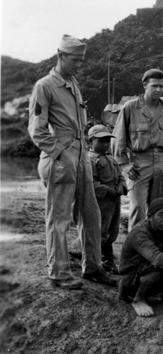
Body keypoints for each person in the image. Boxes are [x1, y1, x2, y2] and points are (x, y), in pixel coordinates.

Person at [27, 35, 116, 289]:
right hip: (61, 158)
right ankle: (58, 272)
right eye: (75, 60)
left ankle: (93, 267)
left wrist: (78, 153)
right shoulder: (44, 86)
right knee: (59, 218)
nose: (79, 65)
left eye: (81, 60)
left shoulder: (73, 83)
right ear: (60, 55)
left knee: (91, 214)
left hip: (81, 155)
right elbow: (37, 129)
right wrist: (59, 153)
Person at [114, 69, 163, 230]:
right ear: (145, 85)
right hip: (138, 164)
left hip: (161, 165)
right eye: (154, 86)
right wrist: (124, 165)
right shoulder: (130, 108)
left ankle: (153, 249)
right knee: (138, 209)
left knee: (158, 210)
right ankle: (135, 250)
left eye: (161, 86)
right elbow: (118, 140)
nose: (158, 90)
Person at [86, 124, 127, 272]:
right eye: (101, 141)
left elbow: (120, 175)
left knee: (112, 229)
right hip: (101, 201)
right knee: (100, 230)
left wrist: (122, 186)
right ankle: (97, 260)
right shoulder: (90, 159)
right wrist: (107, 190)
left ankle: (109, 259)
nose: (105, 145)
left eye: (107, 141)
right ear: (90, 141)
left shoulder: (111, 158)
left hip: (114, 200)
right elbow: (91, 182)